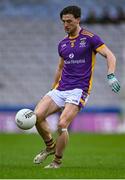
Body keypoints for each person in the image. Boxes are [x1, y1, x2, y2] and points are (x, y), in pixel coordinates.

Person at [33, 5, 120, 168]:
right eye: (63, 22)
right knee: (36, 116)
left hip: (79, 89)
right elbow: (60, 68)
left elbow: (109, 54)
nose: (66, 25)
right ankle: (50, 146)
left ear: (78, 20)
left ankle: (57, 161)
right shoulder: (62, 44)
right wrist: (53, 89)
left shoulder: (90, 38)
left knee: (61, 124)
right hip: (61, 88)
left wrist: (111, 74)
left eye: (69, 21)